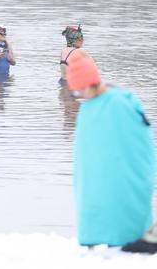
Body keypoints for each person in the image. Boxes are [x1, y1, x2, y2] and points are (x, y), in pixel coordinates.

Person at [68, 53, 155, 247]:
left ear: (91, 83)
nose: (79, 95)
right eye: (75, 92)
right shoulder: (88, 108)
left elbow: (137, 142)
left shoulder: (119, 103)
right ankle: (95, 235)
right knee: (93, 191)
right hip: (99, 170)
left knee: (123, 193)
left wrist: (125, 166)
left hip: (123, 167)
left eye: (80, 90)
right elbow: (86, 149)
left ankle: (127, 235)